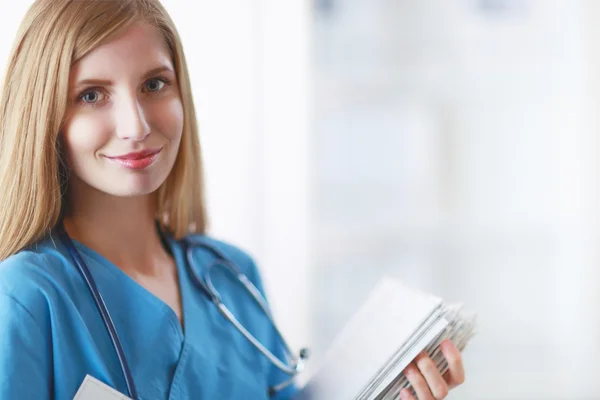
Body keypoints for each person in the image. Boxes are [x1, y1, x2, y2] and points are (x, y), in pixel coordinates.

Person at [0, 1, 465, 399]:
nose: (136, 125)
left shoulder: (232, 277)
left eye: (154, 84)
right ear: (46, 117)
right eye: (92, 95)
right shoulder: (24, 297)